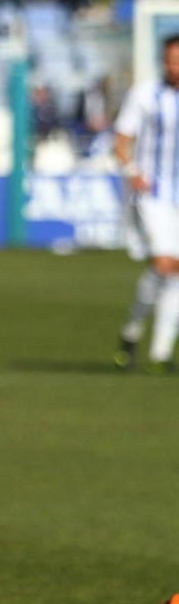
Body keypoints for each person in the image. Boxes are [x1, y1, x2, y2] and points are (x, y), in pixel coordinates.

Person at [114, 37, 179, 375]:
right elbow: (121, 140)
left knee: (174, 273)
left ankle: (159, 350)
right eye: (170, 60)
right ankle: (135, 330)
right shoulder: (145, 95)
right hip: (152, 193)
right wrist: (131, 171)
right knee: (165, 263)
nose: (174, 66)